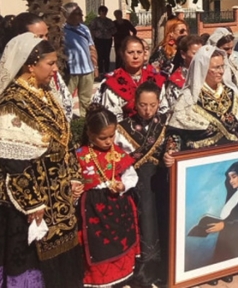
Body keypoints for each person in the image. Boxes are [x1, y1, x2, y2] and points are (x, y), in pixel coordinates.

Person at [0, 33, 84, 288]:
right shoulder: (12, 103)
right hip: (30, 202)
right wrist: (32, 201)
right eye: (50, 63)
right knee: (32, 260)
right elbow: (11, 161)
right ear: (30, 65)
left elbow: (65, 139)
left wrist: (74, 176)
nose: (55, 68)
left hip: (59, 196)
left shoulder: (47, 92)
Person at [76, 105, 139, 288]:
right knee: (98, 248)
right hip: (93, 214)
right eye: (103, 138)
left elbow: (131, 175)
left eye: (112, 136)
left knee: (121, 245)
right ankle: (100, 282)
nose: (108, 141)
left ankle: (122, 278)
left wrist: (123, 185)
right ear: (90, 133)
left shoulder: (118, 153)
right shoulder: (80, 156)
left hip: (119, 209)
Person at [115, 82, 169, 287]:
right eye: (143, 105)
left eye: (152, 105)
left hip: (161, 183)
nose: (148, 110)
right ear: (135, 104)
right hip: (138, 185)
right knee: (144, 221)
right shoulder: (123, 128)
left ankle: (165, 267)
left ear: (159, 103)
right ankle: (145, 269)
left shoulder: (165, 123)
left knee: (164, 220)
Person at [166, 46, 238, 151]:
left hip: (229, 153)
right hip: (200, 157)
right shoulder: (189, 97)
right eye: (216, 67)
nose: (221, 71)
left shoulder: (230, 93)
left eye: (222, 66)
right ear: (203, 68)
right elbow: (176, 132)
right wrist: (171, 152)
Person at [0, 12, 74, 120]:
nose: (45, 40)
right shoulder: (10, 93)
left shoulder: (47, 68)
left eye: (46, 35)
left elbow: (65, 103)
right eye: (39, 36)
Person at [94, 36, 168, 121]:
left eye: (139, 52)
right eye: (131, 52)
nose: (135, 56)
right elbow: (110, 117)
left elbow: (163, 110)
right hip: (123, 130)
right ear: (122, 54)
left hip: (154, 128)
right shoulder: (113, 81)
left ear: (144, 54)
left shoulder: (155, 79)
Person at [204, 161, 238, 263]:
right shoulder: (236, 192)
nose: (231, 181)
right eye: (229, 178)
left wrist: (225, 226)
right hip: (228, 236)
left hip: (237, 239)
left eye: (234, 177)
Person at [63, 2, 97, 117]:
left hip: (88, 70)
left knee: (86, 101)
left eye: (81, 12)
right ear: (67, 15)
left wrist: (95, 66)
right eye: (78, 13)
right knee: (65, 99)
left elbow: (91, 47)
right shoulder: (61, 30)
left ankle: (83, 123)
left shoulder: (84, 29)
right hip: (71, 71)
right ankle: (66, 121)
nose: (81, 15)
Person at [166, 34, 204, 108]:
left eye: (201, 53)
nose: (200, 57)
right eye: (195, 54)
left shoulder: (208, 74)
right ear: (183, 54)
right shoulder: (176, 81)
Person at [208, 28, 238, 97]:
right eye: (226, 49)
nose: (230, 52)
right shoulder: (209, 65)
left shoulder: (233, 61)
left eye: (231, 48)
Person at [89, 5, 117, 75]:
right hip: (99, 39)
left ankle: (107, 70)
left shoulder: (109, 21)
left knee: (107, 55)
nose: (104, 13)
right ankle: (100, 71)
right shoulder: (95, 20)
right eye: (102, 11)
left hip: (107, 39)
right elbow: (91, 29)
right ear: (99, 12)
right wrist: (94, 36)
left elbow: (114, 30)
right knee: (100, 55)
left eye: (105, 11)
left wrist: (109, 32)